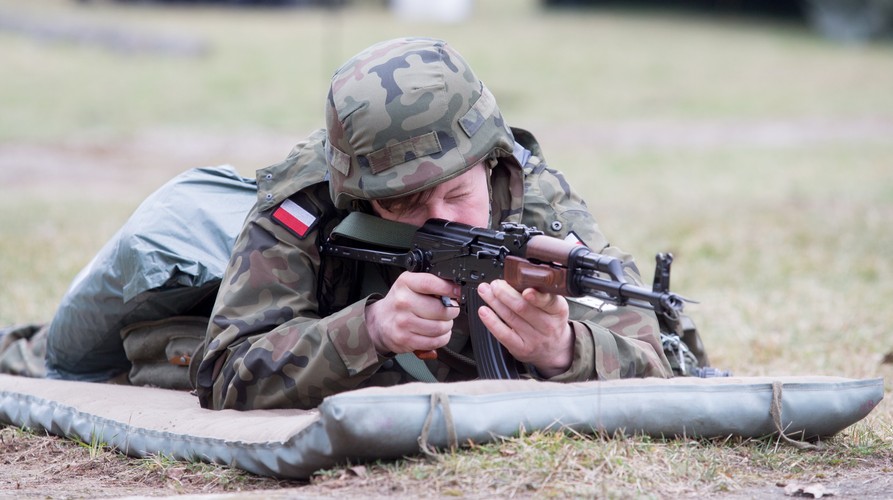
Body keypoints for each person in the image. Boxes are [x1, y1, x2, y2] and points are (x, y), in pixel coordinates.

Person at [192, 37, 674, 411]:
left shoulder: (536, 204)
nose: (442, 219)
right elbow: (223, 371)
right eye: (406, 205)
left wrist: (563, 348)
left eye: (459, 193)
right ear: (359, 196)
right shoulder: (305, 207)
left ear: (490, 162)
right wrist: (372, 329)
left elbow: (655, 362)